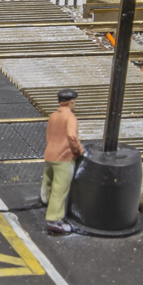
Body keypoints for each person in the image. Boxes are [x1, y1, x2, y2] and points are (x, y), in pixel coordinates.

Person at [40, 89, 83, 235]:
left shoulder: (53, 116)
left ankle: (44, 199)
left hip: (50, 153)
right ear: (70, 102)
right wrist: (78, 151)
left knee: (48, 180)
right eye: (74, 102)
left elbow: (49, 135)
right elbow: (71, 136)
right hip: (63, 157)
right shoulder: (70, 117)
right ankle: (54, 220)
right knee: (60, 188)